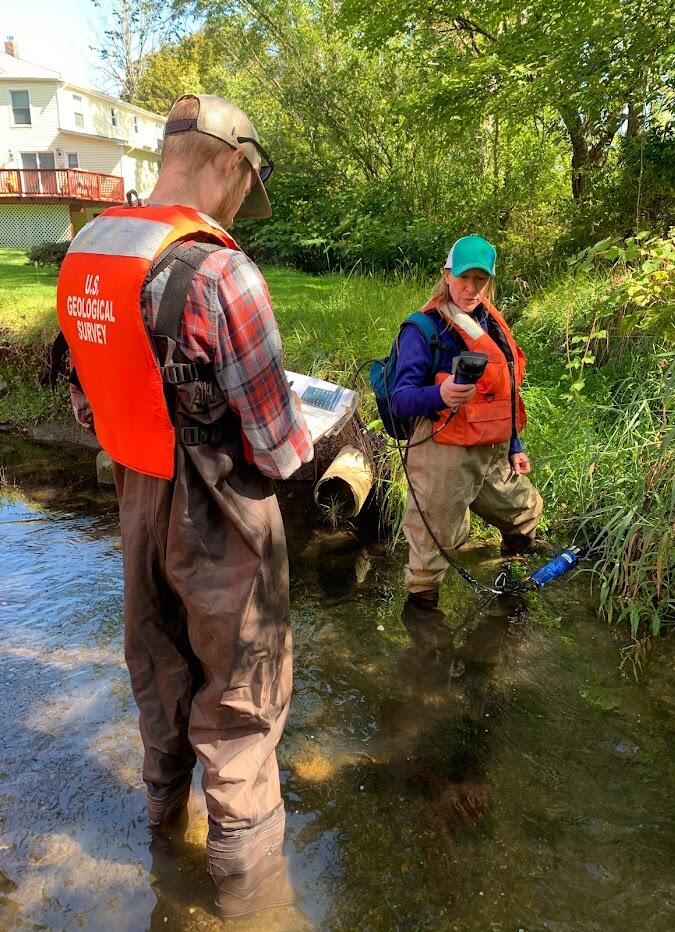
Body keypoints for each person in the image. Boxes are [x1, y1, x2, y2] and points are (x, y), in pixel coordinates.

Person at [55, 94, 313, 912]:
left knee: (159, 678)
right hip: (222, 516)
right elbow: (276, 447)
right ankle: (252, 911)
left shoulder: (90, 252)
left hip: (135, 499)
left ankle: (162, 840)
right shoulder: (223, 271)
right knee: (240, 715)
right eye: (247, 186)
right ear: (232, 164)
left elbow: (87, 406)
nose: (242, 206)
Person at [391, 235, 544, 640]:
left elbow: (507, 387)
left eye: (480, 279)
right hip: (442, 452)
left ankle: (512, 586)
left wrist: (515, 445)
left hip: (491, 448)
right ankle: (425, 647)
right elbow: (401, 399)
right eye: (463, 277)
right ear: (447, 275)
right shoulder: (422, 330)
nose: (471, 288)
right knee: (433, 551)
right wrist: (438, 394)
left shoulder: (490, 322)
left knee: (525, 509)